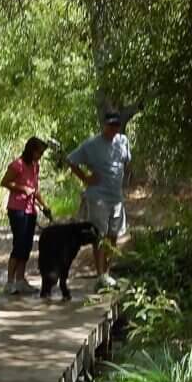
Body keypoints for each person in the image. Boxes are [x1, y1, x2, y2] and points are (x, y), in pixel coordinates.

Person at [63, 107, 135, 289]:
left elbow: (126, 161)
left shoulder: (123, 141)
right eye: (111, 125)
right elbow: (71, 160)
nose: (114, 129)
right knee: (99, 236)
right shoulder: (91, 144)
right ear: (104, 125)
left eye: (117, 125)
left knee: (114, 236)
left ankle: (108, 274)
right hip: (98, 197)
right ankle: (100, 274)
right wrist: (85, 178)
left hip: (116, 197)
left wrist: (125, 177)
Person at [0, 138, 50, 295]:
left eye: (41, 153)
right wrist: (22, 189)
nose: (40, 155)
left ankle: (20, 280)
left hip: (30, 210)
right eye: (38, 152)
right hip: (17, 209)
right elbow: (5, 182)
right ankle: (9, 282)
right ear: (30, 150)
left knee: (27, 246)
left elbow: (35, 189)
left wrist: (45, 206)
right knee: (19, 244)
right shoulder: (17, 165)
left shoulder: (35, 166)